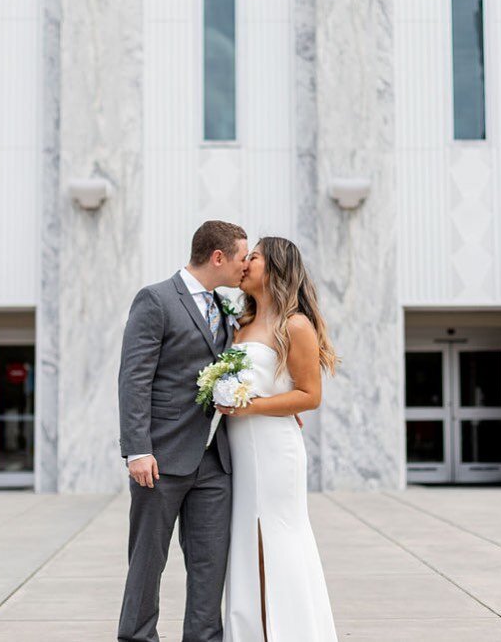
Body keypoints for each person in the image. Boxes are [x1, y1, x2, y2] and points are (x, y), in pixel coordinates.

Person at [117, 220, 249, 642]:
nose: (245, 267)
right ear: (218, 257)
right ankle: (137, 637)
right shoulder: (156, 300)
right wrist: (137, 449)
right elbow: (134, 378)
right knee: (147, 561)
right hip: (161, 458)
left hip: (215, 460)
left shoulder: (226, 308)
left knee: (210, 564)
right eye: (241, 258)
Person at [216, 236, 340, 641]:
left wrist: (250, 406)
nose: (244, 263)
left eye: (253, 257)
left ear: (276, 268)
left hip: (274, 450)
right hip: (238, 451)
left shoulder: (295, 324)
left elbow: (310, 395)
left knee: (278, 537)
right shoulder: (238, 323)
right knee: (245, 542)